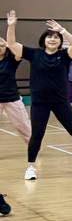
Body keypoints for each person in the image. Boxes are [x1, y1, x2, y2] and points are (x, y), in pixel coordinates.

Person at [11, 18, 72, 180]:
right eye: (49, 37)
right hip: (40, 103)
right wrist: (11, 26)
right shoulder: (34, 54)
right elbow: (12, 44)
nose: (53, 39)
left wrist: (62, 30)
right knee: (37, 135)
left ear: (60, 42)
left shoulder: (64, 55)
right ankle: (31, 167)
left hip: (60, 102)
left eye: (56, 37)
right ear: (44, 40)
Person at [1, 10, 32, 151]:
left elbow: (14, 46)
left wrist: (11, 26)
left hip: (11, 98)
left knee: (23, 125)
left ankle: (33, 148)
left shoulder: (12, 59)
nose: (0, 47)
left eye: (2, 45)